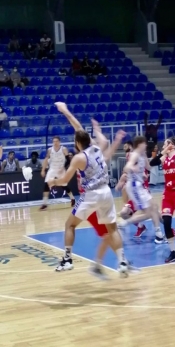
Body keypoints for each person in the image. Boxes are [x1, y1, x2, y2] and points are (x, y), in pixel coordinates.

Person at [50, 102, 129, 276]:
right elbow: (78, 127)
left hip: (91, 195)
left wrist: (53, 182)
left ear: (78, 143)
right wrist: (66, 110)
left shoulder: (79, 158)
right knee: (113, 229)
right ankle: (122, 262)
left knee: (69, 225)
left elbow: (64, 180)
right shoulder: (96, 147)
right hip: (106, 193)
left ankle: (68, 259)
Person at [120, 136, 165, 244]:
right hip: (135, 186)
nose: (146, 145)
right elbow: (127, 167)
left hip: (139, 186)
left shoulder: (142, 154)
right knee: (149, 212)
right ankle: (124, 223)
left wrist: (160, 159)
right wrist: (133, 168)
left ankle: (159, 235)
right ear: (139, 144)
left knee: (154, 208)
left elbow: (149, 167)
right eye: (144, 143)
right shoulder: (134, 154)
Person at [40, 136, 75, 210]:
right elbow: (46, 160)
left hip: (61, 169)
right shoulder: (50, 150)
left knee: (64, 186)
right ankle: (44, 204)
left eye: (56, 141)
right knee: (46, 184)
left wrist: (63, 168)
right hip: (52, 169)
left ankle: (72, 198)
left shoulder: (64, 149)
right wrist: (43, 170)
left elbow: (68, 161)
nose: (55, 143)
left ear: (59, 142)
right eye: (54, 141)